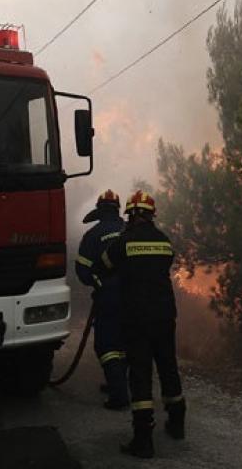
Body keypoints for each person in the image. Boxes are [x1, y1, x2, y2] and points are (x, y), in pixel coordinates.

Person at [99, 190, 185, 458]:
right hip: (164, 316)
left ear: (131, 215)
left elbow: (104, 266)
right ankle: (177, 423)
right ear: (150, 215)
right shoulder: (164, 241)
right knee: (168, 367)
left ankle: (143, 440)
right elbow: (166, 263)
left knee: (140, 374)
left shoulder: (124, 242)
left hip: (136, 318)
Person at [74, 189, 129, 410]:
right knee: (124, 342)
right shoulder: (129, 230)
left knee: (106, 345)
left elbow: (82, 270)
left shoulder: (93, 235)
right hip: (133, 296)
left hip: (108, 298)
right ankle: (118, 382)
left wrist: (98, 283)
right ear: (118, 209)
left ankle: (118, 394)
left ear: (99, 210)